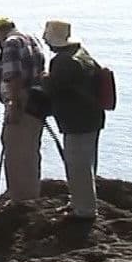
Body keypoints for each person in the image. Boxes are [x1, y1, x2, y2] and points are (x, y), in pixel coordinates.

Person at [41, 19, 105, 222]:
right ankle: (79, 202)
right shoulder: (82, 54)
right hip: (91, 117)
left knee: (78, 165)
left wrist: (43, 79)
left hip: (77, 120)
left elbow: (53, 87)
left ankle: (84, 210)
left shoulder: (63, 62)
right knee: (86, 163)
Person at [0, 16, 47, 200]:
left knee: (15, 155)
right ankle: (32, 194)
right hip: (36, 106)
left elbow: (13, 76)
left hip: (20, 106)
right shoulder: (32, 39)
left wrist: (13, 105)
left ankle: (19, 199)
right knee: (31, 152)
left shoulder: (11, 43)